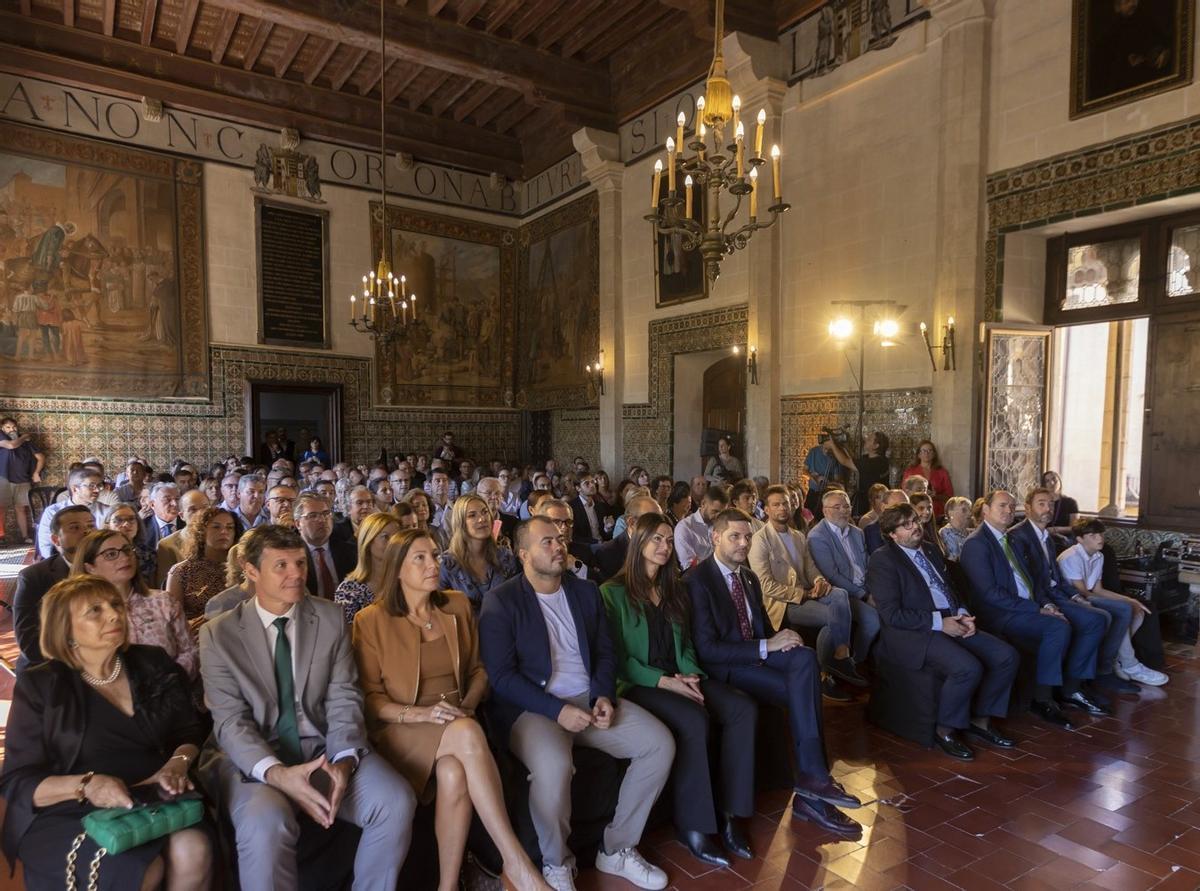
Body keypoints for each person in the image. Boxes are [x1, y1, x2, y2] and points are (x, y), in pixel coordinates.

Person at [197, 524, 416, 891]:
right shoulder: (220, 634)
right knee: (266, 823)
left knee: (394, 800)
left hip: (325, 749)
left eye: (300, 562)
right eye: (280, 565)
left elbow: (344, 696)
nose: (296, 573)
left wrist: (345, 761)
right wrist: (278, 773)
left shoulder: (329, 618)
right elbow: (232, 722)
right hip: (254, 760)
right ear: (251, 572)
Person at [479, 517, 675, 891]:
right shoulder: (501, 601)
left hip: (588, 698)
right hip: (534, 708)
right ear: (523, 554)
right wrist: (557, 710)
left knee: (658, 743)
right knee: (554, 767)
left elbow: (604, 652)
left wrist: (603, 694)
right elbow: (502, 677)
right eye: (547, 542)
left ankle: (617, 849)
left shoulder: (585, 592)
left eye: (560, 539)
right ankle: (556, 862)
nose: (558, 547)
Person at [352, 528, 550, 891]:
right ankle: (516, 863)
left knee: (454, 774)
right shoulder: (371, 620)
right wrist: (422, 715)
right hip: (402, 726)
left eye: (434, 555)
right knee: (466, 734)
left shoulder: (456, 605)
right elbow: (370, 699)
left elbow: (479, 671)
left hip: (458, 719)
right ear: (397, 569)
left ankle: (447, 886)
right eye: (421, 558)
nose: (434, 564)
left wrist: (467, 706)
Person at [0, 576, 212, 891]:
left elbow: (189, 730)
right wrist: (87, 785)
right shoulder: (43, 685)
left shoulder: (152, 663)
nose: (114, 614)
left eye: (114, 604)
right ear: (66, 629)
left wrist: (177, 763)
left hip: (153, 798)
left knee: (193, 849)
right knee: (138, 867)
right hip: (72, 808)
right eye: (94, 611)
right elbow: (17, 781)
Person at [684, 508, 862, 839]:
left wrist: (782, 644)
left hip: (757, 656)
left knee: (806, 658)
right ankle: (814, 786)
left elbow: (763, 628)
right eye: (734, 537)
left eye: (747, 536)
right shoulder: (698, 581)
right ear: (715, 538)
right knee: (804, 691)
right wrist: (768, 647)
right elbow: (708, 649)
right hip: (726, 668)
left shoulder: (748, 577)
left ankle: (813, 780)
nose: (742, 544)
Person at [600, 513, 757, 869]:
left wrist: (689, 675)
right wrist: (666, 681)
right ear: (638, 542)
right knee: (693, 719)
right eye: (656, 539)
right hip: (639, 683)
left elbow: (685, 645)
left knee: (741, 708)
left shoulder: (674, 589)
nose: (664, 547)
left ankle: (732, 814)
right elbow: (617, 660)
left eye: (669, 540)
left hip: (678, 675)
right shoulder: (612, 593)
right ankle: (695, 826)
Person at [867, 504, 1018, 761]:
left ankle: (979, 720)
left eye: (915, 520)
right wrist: (940, 622)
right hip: (915, 632)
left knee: (1006, 655)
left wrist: (962, 613)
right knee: (967, 667)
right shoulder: (883, 560)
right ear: (893, 534)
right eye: (907, 525)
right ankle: (944, 730)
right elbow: (892, 615)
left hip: (951, 619)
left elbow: (950, 589)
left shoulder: (930, 548)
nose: (916, 526)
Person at [959, 491, 1107, 730]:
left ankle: (1071, 689)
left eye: (1011, 506)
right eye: (1002, 506)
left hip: (1024, 606)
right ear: (985, 510)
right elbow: (990, 595)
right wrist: (1037, 609)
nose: (1008, 511)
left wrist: (1046, 604)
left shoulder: (1009, 540)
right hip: (999, 614)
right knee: (1058, 627)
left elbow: (1031, 581)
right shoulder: (977, 544)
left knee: (1077, 620)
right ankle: (1042, 699)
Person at [1009, 489, 1132, 696]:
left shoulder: (1046, 536)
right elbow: (1028, 582)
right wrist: (1047, 605)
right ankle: (1073, 686)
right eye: (1041, 503)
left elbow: (1056, 577)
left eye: (1051, 504)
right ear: (1028, 508)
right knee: (1097, 619)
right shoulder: (1017, 536)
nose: (1048, 508)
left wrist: (1076, 597)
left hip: (1057, 593)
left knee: (1102, 616)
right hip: (1041, 598)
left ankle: (1083, 680)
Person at [753, 487, 873, 697]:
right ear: (767, 510)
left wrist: (819, 581)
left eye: (786, 503)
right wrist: (804, 594)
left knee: (839, 594)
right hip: (783, 603)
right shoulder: (760, 539)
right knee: (834, 617)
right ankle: (825, 674)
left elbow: (810, 568)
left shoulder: (798, 536)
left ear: (793, 505)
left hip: (807, 593)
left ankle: (841, 655)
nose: (783, 507)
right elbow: (765, 585)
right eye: (776, 504)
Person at [72, 529, 198, 679]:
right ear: (90, 567)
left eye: (127, 550)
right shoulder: (83, 614)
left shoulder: (162, 601)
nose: (124, 557)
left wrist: (169, 680)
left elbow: (190, 651)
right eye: (111, 554)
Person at [1058, 518, 1168, 687]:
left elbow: (1098, 590)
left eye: (1100, 534)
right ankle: (1130, 664)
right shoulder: (1071, 556)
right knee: (1121, 611)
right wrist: (1122, 604)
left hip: (1088, 595)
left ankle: (1118, 658)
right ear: (1080, 539)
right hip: (1072, 600)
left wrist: (1131, 600)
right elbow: (1082, 592)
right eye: (1092, 535)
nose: (1099, 538)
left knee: (1137, 610)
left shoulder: (1098, 555)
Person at [13, 505, 96, 671]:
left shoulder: (110, 566)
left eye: (91, 525)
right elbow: (29, 641)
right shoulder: (34, 577)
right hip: (52, 668)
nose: (86, 531)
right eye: (75, 528)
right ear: (56, 540)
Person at [438, 493, 519, 613]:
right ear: (460, 523)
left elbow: (516, 600)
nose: (482, 519)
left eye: (485, 512)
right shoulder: (446, 563)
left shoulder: (505, 557)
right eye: (472, 515)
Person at [165, 507, 237, 626]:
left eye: (229, 527)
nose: (224, 531)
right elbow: (173, 621)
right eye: (216, 527)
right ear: (201, 532)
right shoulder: (182, 571)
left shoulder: (243, 569)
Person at [333, 512, 401, 624]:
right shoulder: (349, 590)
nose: (393, 543)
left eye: (397, 537)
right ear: (368, 542)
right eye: (385, 537)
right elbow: (348, 636)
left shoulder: (406, 581)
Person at [295, 492, 357, 598]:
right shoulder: (292, 555)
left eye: (326, 513)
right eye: (313, 516)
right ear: (298, 523)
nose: (322, 520)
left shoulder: (351, 551)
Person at [36, 467, 106, 558]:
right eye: (91, 486)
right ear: (75, 489)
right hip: (64, 564)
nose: (97, 490)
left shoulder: (106, 511)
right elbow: (46, 547)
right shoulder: (53, 512)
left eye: (99, 486)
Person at [592, 495, 659, 585]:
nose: (659, 527)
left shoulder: (662, 546)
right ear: (631, 523)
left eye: (660, 520)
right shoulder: (608, 553)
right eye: (651, 521)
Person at [0, 416, 44, 545]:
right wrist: (25, 436)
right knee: (0, 508)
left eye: (14, 427)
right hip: (3, 479)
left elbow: (41, 457)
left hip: (23, 480)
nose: (11, 429)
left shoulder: (27, 443)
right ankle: (1, 537)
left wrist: (36, 472)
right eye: (8, 427)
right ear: (2, 429)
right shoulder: (2, 438)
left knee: (21, 509)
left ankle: (25, 537)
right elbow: (11, 445)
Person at [826, 429, 891, 517]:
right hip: (880, 500)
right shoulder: (882, 460)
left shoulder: (871, 463)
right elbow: (854, 461)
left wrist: (832, 445)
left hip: (870, 502)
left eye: (869, 439)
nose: (866, 439)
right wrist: (845, 446)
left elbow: (845, 461)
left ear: (876, 446)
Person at [157, 489, 212, 586]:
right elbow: (164, 586)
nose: (201, 513)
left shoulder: (220, 536)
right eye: (193, 510)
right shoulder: (167, 545)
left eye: (205, 507)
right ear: (182, 516)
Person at [674, 486, 729, 570]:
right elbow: (688, 566)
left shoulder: (721, 526)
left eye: (722, 513)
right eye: (715, 511)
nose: (718, 516)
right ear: (703, 503)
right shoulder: (685, 527)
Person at [104, 501, 157, 587]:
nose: (126, 524)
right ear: (107, 525)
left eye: (131, 519)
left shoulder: (149, 554)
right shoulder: (100, 553)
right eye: (118, 520)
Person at [902, 440, 954, 517]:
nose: (927, 453)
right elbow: (905, 492)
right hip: (915, 511)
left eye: (930, 450)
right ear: (919, 454)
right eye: (924, 451)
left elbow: (949, 496)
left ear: (934, 454)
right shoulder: (910, 471)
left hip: (937, 512)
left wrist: (935, 496)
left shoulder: (942, 472)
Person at [802, 432, 844, 515]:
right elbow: (804, 471)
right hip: (813, 492)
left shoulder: (835, 456)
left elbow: (837, 480)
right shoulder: (813, 452)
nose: (826, 451)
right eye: (825, 448)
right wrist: (815, 478)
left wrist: (828, 482)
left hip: (827, 493)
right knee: (808, 515)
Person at [140, 482, 184, 554]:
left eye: (177, 499)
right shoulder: (142, 527)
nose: (175, 504)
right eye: (167, 499)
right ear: (152, 504)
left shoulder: (188, 523)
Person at [570, 472, 612, 545]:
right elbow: (574, 537)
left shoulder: (600, 506)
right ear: (578, 488)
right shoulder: (572, 508)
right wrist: (596, 542)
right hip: (586, 547)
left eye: (592, 481)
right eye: (587, 483)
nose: (592, 485)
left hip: (603, 544)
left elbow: (605, 535)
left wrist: (607, 528)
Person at [863, 489, 908, 554]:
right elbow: (879, 558)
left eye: (906, 507)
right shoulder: (872, 531)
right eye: (897, 507)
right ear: (883, 507)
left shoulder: (911, 527)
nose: (903, 511)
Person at [1042, 470, 1080, 537]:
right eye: (1047, 481)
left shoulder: (1071, 502)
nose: (1052, 483)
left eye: (1054, 479)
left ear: (1060, 481)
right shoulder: (1040, 503)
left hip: (1063, 540)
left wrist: (1056, 529)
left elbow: (1075, 528)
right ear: (1044, 485)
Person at [939, 496, 973, 561]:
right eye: (964, 510)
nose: (970, 513)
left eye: (970, 510)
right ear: (950, 513)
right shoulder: (946, 532)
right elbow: (953, 559)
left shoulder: (971, 532)